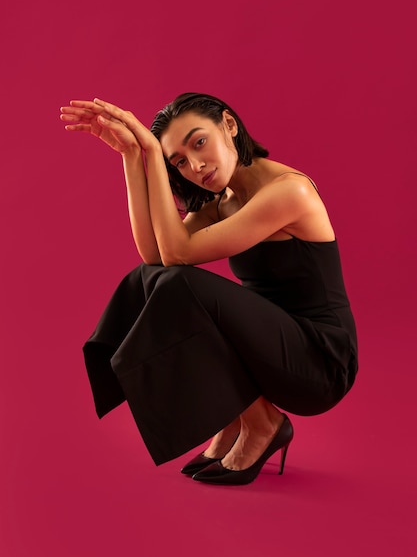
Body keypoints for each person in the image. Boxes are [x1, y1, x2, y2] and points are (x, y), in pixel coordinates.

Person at [60, 92, 358, 485]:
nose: (196, 166)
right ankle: (238, 418)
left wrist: (153, 151)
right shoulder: (223, 200)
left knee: (181, 285)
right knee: (151, 279)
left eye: (199, 143)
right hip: (271, 350)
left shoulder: (290, 192)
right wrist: (133, 160)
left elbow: (178, 254)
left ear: (229, 126)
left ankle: (262, 424)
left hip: (321, 360)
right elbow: (155, 256)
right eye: (178, 161)